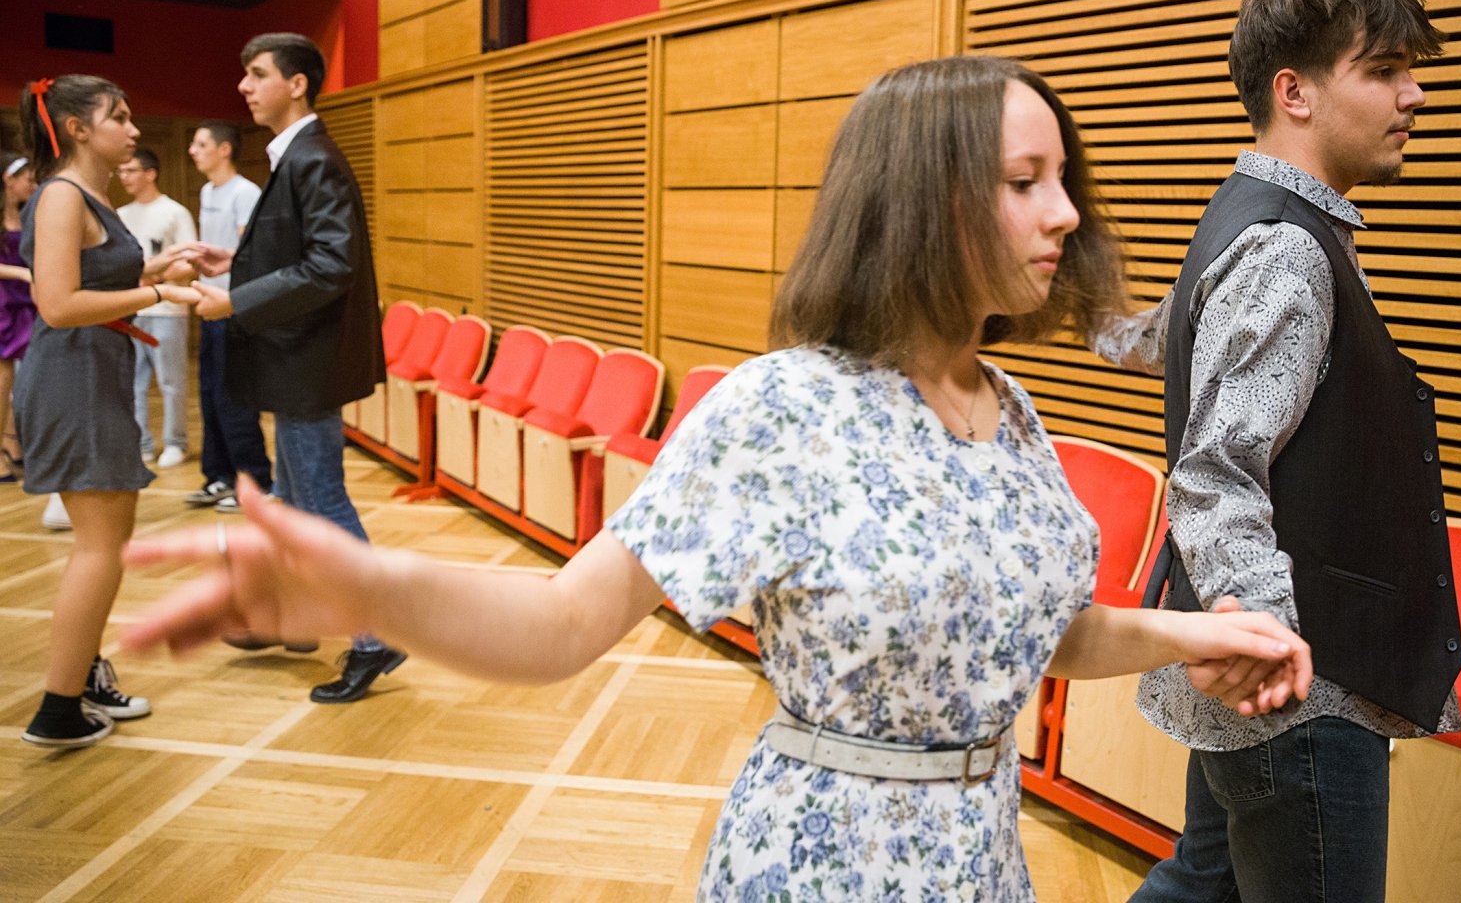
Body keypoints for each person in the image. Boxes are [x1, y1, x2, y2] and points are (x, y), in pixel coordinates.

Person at [127, 55, 1313, 898]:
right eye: (1024, 181)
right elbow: (561, 623)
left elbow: (1030, 631)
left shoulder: (1010, 412)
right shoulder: (783, 407)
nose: (1065, 214)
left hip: (983, 861)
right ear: (922, 202)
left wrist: (1192, 635)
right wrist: (370, 586)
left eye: (1063, 178)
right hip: (829, 864)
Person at [1088, 0, 1461, 901]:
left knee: (1200, 883)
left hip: (1268, 666)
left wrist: (1099, 324)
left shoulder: (1247, 215)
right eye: (1384, 71)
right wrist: (1272, 651)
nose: (1414, 95)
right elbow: (1217, 473)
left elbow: (1173, 336)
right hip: (1301, 684)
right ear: (1294, 92)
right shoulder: (1286, 248)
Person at [184, 32, 396, 700]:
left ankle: (377, 635)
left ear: (297, 84)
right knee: (294, 503)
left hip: (307, 364)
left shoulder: (312, 158)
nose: (244, 87)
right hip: (296, 362)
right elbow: (299, 250)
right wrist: (238, 262)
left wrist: (235, 300)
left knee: (318, 503)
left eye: (257, 74)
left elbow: (331, 266)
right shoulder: (297, 155)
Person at [15, 75, 199, 748]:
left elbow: (94, 279)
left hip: (93, 374)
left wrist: (158, 272)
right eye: (118, 117)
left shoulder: (87, 196)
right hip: (75, 378)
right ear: (77, 129)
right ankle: (59, 710)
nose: (134, 129)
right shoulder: (62, 195)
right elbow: (58, 303)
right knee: (99, 548)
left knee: (106, 546)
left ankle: (84, 679)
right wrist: (157, 297)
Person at [184, 120, 272, 513]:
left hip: (234, 309)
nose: (192, 151)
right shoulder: (207, 191)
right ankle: (218, 476)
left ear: (224, 150)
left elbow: (252, 254)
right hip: (209, 307)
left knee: (234, 397)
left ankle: (256, 482)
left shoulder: (245, 193)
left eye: (201, 144)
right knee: (209, 395)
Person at [116, 147, 198, 470]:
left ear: (150, 174)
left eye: (130, 171)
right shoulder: (120, 215)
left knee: (171, 381)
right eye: (121, 171)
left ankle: (176, 442)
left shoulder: (174, 212)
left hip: (167, 310)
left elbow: (189, 263)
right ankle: (142, 443)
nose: (124, 177)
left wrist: (155, 276)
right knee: (133, 383)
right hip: (131, 308)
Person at [0, 151, 38, 482]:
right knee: (3, 378)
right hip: (3, 302)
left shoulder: (29, 216)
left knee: (26, 379)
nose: (33, 185)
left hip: (27, 302)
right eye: (28, 179)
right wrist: (23, 274)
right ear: (8, 180)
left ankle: (13, 441)